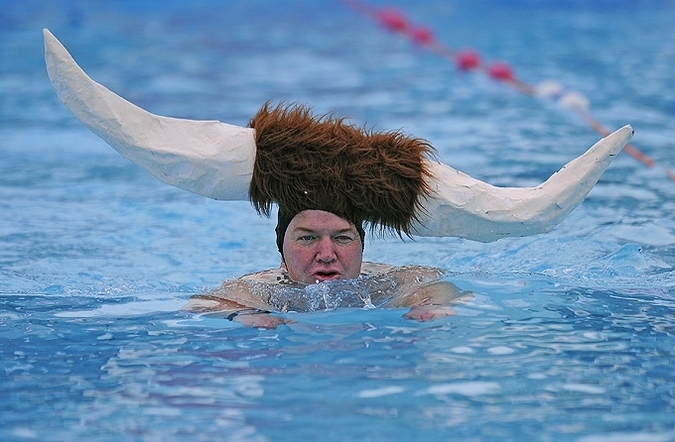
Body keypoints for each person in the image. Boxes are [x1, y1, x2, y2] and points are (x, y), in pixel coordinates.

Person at [184, 209, 470, 328]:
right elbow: (200, 304)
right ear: (281, 251)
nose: (326, 254)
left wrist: (431, 304)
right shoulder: (265, 289)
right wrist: (242, 314)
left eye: (342, 238)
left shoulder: (384, 282)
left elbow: (440, 284)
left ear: (362, 248)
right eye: (307, 238)